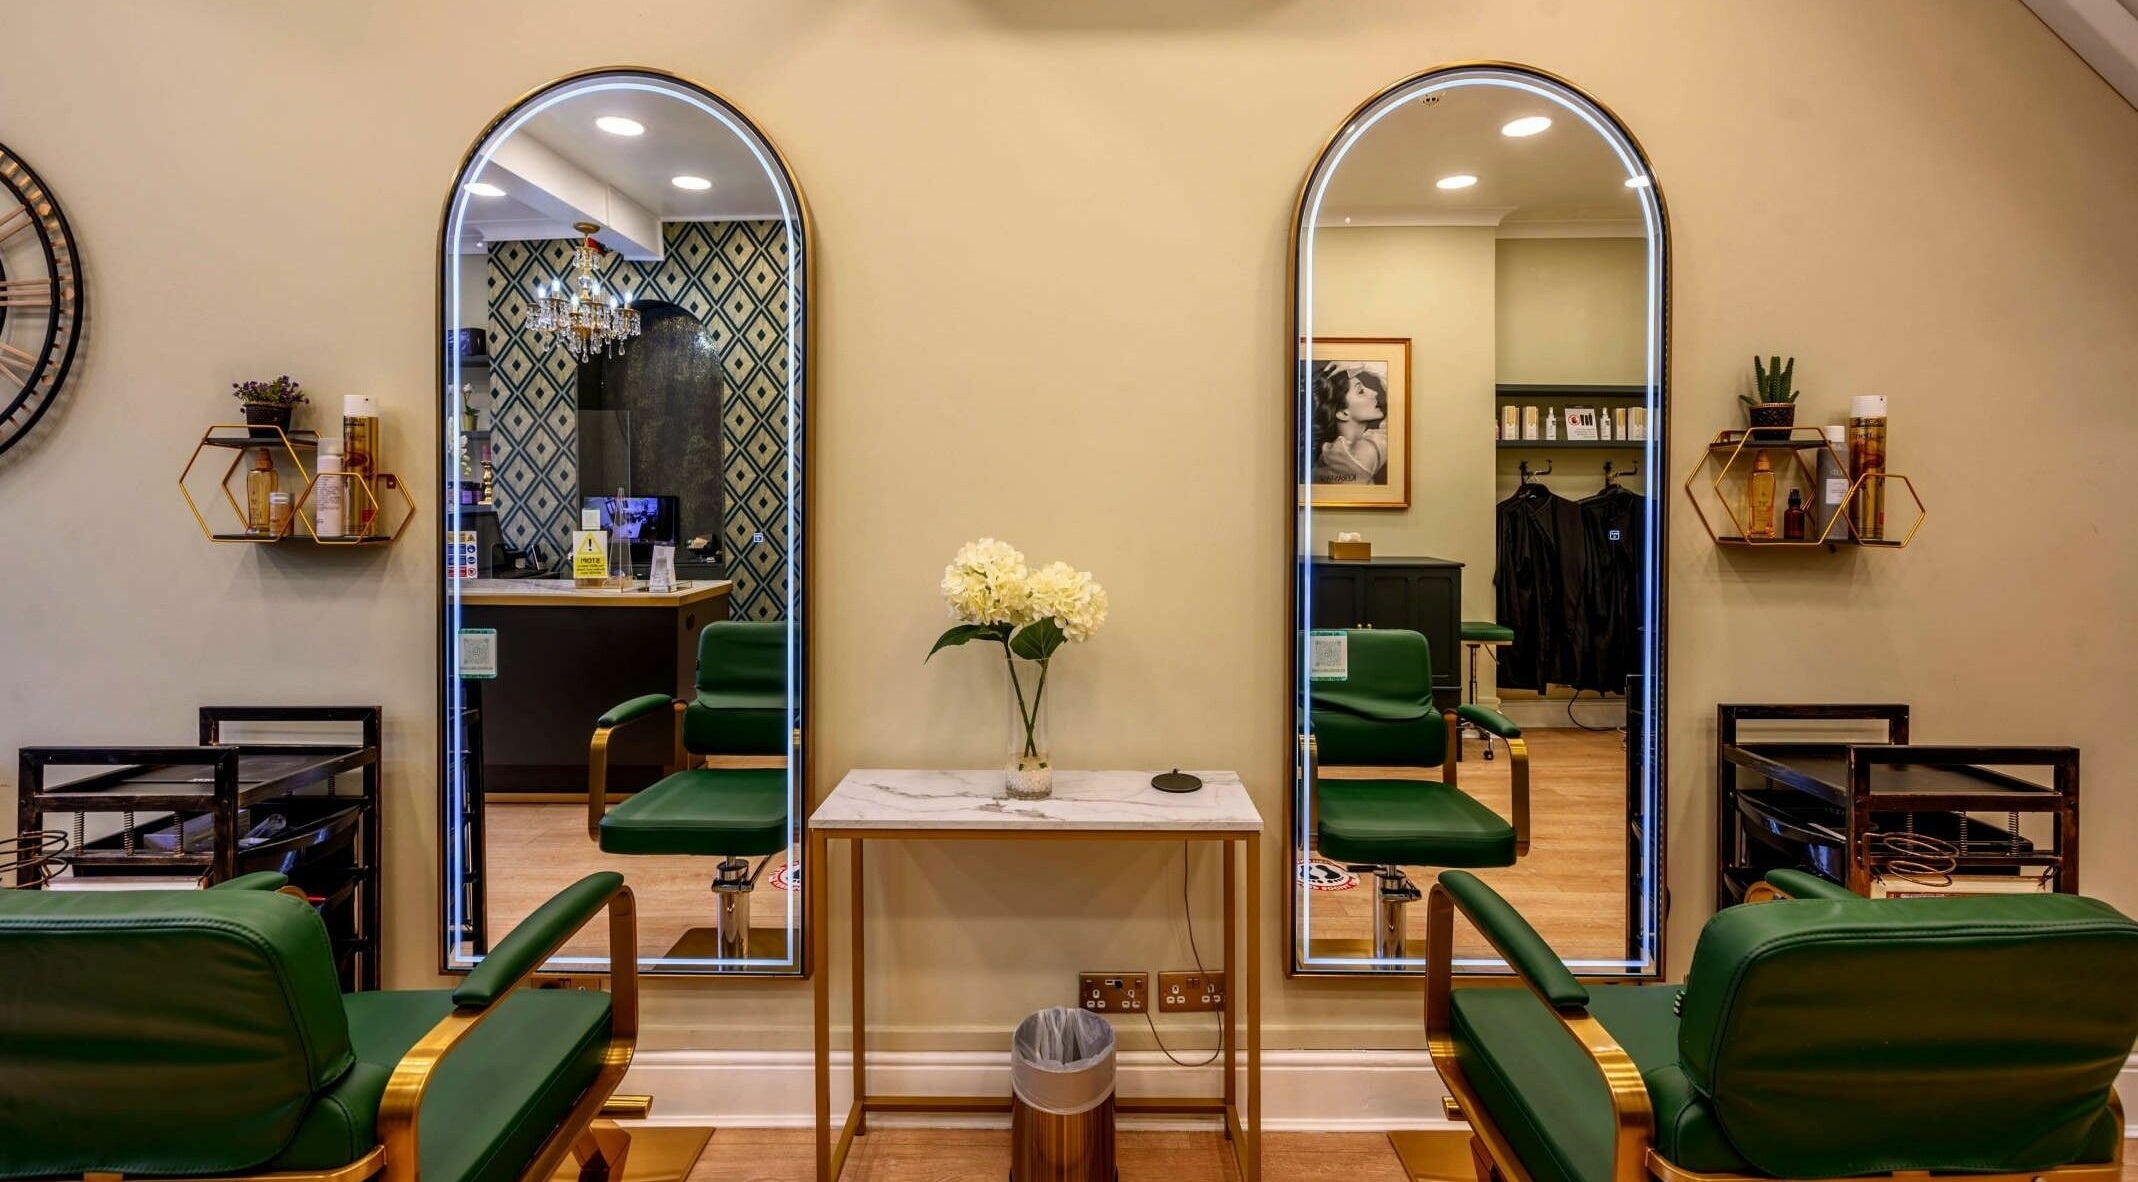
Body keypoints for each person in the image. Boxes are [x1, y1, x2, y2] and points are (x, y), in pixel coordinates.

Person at [1312, 364, 1388, 484]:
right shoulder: (1349, 458)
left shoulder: (1332, 456)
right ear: (1343, 413)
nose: (1374, 393)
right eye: (1361, 391)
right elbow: (1395, 428)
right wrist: (1371, 366)